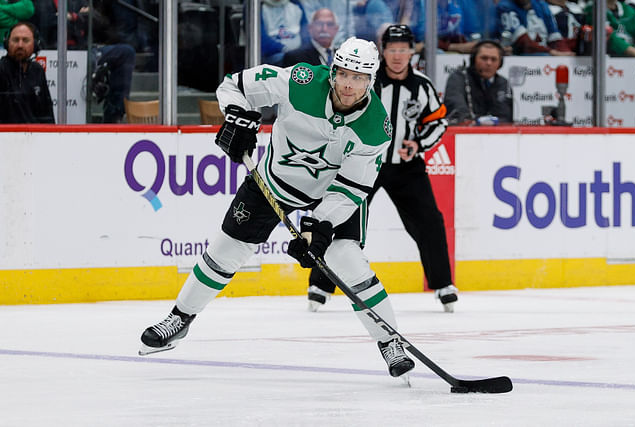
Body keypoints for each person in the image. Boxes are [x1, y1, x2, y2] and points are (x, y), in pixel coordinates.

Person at [139, 37, 416, 379]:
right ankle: (179, 319)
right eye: (343, 73)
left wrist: (320, 228)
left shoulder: (376, 128)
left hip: (332, 194)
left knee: (347, 259)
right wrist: (237, 117)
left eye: (358, 78)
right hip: (273, 181)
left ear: (371, 80)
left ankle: (390, 341)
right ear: (333, 70)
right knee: (225, 251)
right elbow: (234, 85)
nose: (348, 84)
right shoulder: (299, 82)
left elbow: (350, 189)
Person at [306, 25, 458, 314]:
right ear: (383, 51)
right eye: (392, 49)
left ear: (412, 52)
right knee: (338, 217)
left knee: (430, 222)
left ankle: (443, 284)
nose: (398, 56)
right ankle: (320, 285)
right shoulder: (366, 81)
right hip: (362, 163)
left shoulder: (422, 86)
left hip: (406, 167)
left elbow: (439, 122)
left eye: (403, 50)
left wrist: (418, 143)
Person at [65, 0, 136, 123]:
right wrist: (80, 17)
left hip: (85, 49)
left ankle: (114, 116)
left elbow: (100, 22)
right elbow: (50, 21)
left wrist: (75, 17)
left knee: (126, 53)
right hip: (57, 51)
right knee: (91, 61)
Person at [443, 39, 513, 125]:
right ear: (473, 59)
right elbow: (457, 110)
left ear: (500, 63)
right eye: (484, 58)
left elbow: (505, 117)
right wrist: (478, 122)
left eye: (493, 59)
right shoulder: (459, 78)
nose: (489, 63)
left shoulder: (503, 83)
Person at [0, 22, 54, 123]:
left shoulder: (37, 70)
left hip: (36, 137)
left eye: (25, 40)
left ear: (35, 44)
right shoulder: (1, 70)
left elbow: (47, 113)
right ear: (7, 43)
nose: (20, 45)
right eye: (15, 40)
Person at [496, 0, 575, 55]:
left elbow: (555, 39)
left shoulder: (541, 5)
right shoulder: (505, 6)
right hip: (521, 55)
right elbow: (524, 43)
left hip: (547, 52)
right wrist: (552, 52)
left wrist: (566, 52)